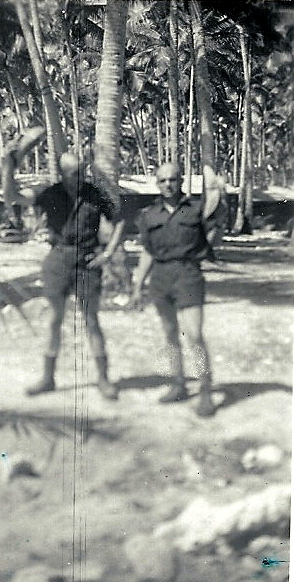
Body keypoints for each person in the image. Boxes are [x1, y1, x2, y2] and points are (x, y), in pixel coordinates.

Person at [26, 152, 125, 400]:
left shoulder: (95, 194)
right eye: (74, 173)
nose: (80, 177)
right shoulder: (51, 194)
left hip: (87, 262)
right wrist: (8, 166)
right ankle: (48, 378)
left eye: (82, 171)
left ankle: (103, 379)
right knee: (54, 320)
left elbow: (120, 219)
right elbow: (15, 197)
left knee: (91, 320)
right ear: (63, 174)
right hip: (58, 260)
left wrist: (108, 253)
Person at [129, 162, 217, 417]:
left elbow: (213, 235)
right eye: (163, 180)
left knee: (194, 335)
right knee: (170, 334)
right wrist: (137, 286)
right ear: (157, 184)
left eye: (172, 179)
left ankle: (205, 390)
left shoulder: (197, 210)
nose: (168, 184)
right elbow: (147, 252)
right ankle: (178, 384)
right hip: (160, 277)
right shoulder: (148, 215)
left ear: (181, 181)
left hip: (188, 274)